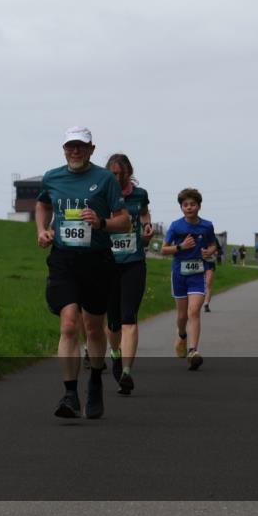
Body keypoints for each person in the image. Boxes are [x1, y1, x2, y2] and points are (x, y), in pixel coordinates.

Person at [36, 127, 129, 419]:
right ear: (63, 149)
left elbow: (124, 221)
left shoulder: (103, 179)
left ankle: (96, 380)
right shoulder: (52, 176)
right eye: (70, 146)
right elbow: (42, 203)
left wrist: (100, 222)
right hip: (64, 259)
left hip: (97, 260)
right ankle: (70, 393)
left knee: (93, 328)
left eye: (81, 147)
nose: (75, 151)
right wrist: (42, 230)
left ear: (91, 149)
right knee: (68, 325)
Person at [104, 153, 152, 395]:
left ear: (129, 172)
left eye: (122, 173)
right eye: (113, 174)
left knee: (128, 317)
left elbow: (144, 213)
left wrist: (146, 226)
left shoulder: (139, 194)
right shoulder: (102, 194)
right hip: (108, 264)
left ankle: (126, 373)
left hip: (134, 262)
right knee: (112, 322)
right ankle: (114, 353)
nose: (118, 177)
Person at [162, 188, 217, 371]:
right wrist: (181, 246)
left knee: (194, 312)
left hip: (197, 274)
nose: (189, 207)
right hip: (179, 274)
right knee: (182, 316)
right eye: (185, 205)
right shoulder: (176, 226)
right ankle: (182, 335)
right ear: (181, 208)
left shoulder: (207, 226)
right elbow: (164, 249)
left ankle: (193, 351)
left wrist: (209, 251)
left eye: (192, 204)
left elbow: (212, 245)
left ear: (199, 206)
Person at [203, 238, 222, 312]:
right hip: (199, 262)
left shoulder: (213, 238)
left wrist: (217, 252)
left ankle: (206, 304)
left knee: (208, 283)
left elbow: (220, 250)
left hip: (210, 263)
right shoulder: (196, 234)